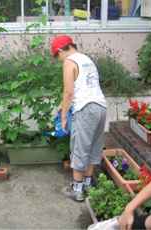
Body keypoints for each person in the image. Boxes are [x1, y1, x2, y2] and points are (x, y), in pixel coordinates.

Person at [50, 35, 107, 202]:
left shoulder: (69, 61)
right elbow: (84, 86)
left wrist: (63, 116)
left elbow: (69, 92)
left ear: (61, 50)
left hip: (85, 109)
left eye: (57, 56)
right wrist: (64, 105)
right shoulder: (87, 59)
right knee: (93, 148)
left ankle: (77, 190)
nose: (59, 60)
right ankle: (88, 186)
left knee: (79, 149)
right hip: (101, 107)